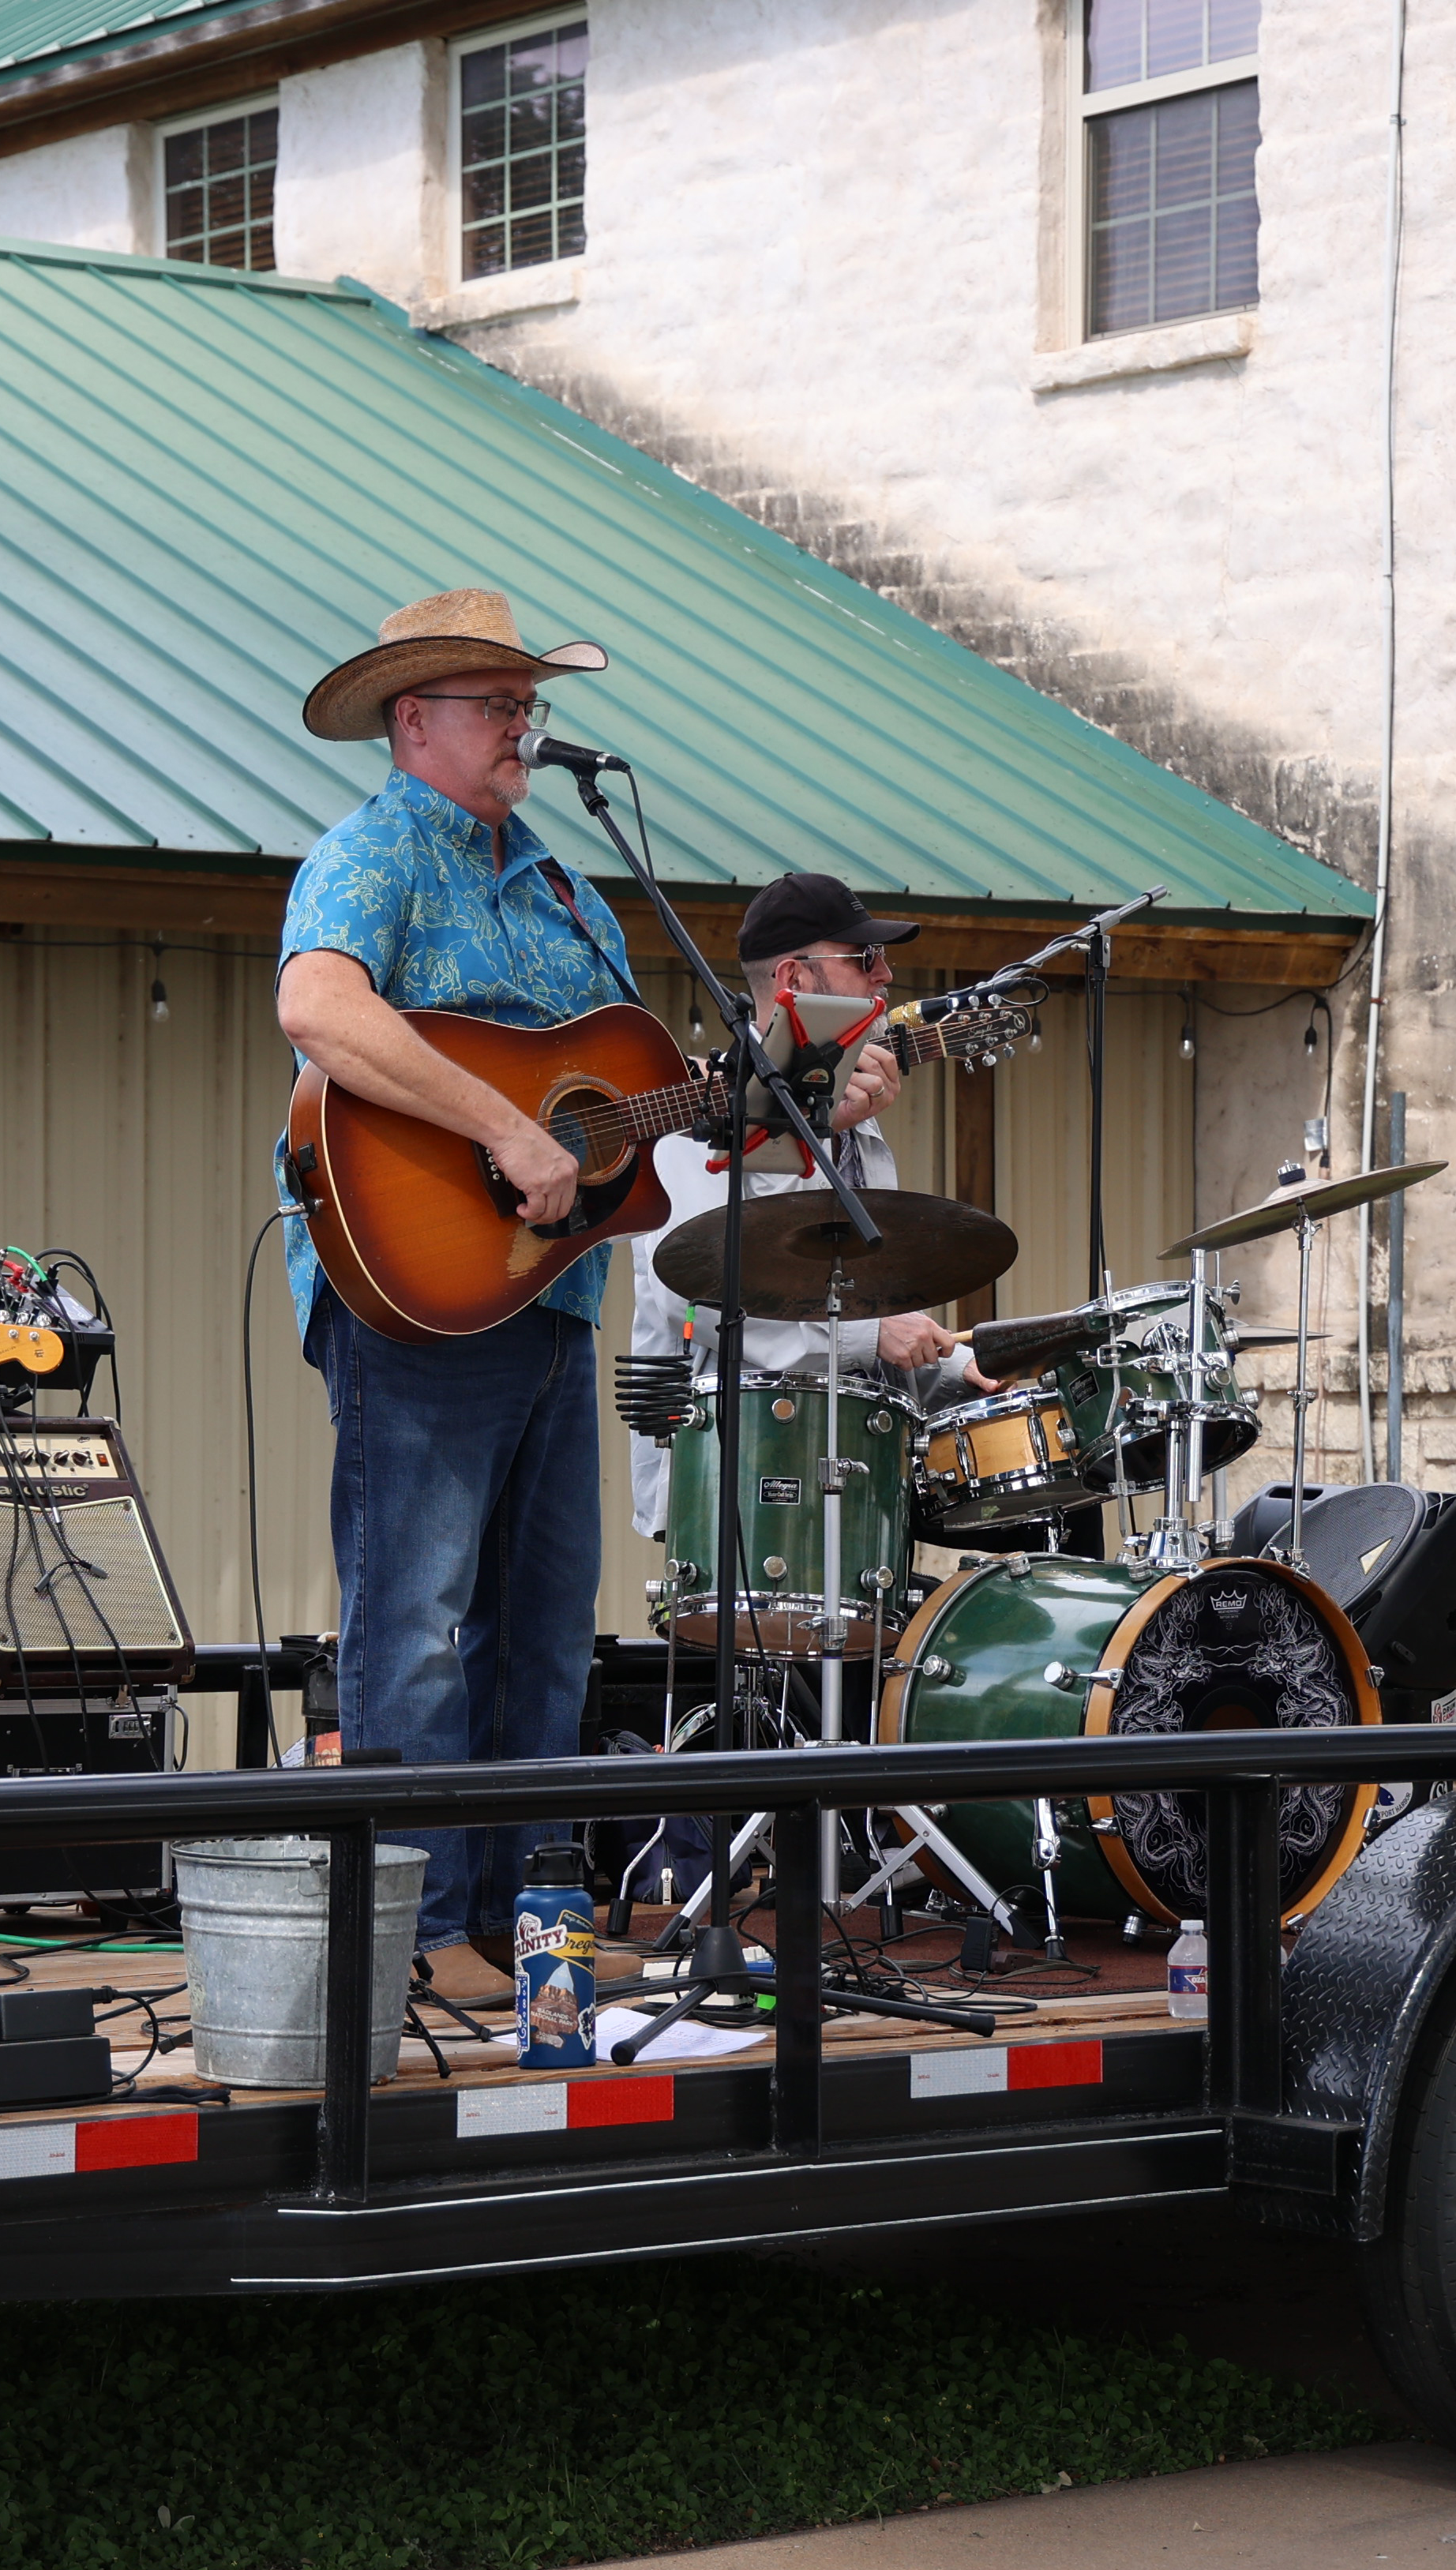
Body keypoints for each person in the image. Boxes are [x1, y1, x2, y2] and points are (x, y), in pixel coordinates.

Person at [274, 590, 895, 1964]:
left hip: (548, 1298)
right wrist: (503, 1127)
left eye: (526, 705)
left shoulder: (566, 886)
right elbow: (318, 1009)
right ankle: (417, 1927)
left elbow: (644, 1120)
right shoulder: (373, 855)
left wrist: (804, 1103)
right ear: (413, 718)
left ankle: (516, 1921)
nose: (522, 729)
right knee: (420, 1626)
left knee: (545, 1632)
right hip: (416, 1288)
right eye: (495, 705)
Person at [624, 871, 989, 1540]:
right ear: (796, 978)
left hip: (850, 1473)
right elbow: (698, 1297)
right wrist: (874, 1331)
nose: (886, 976)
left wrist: (961, 1366)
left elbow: (856, 1296)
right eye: (863, 959)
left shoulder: (859, 1124)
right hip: (731, 1487)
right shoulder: (702, 1111)